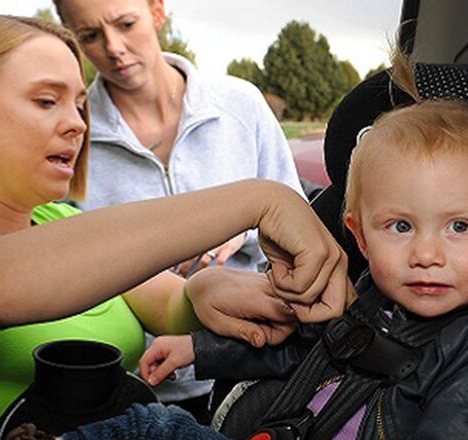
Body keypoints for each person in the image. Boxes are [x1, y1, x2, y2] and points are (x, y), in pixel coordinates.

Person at [0, 15, 349, 440]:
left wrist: (205, 291)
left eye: (80, 105)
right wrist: (256, 200)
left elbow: (170, 301)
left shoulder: (62, 222)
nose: (77, 125)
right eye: (46, 101)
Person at [139, 49, 468, 439]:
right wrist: (199, 349)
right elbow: (298, 352)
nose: (426, 256)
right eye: (401, 227)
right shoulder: (367, 297)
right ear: (360, 237)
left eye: (459, 227)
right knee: (144, 423)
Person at [50, 0, 306, 419]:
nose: (113, 48)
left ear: (157, 10)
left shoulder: (241, 105)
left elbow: (297, 233)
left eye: (126, 24)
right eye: (90, 36)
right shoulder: (70, 137)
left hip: (253, 372)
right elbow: (63, 268)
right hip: (133, 389)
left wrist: (243, 225)